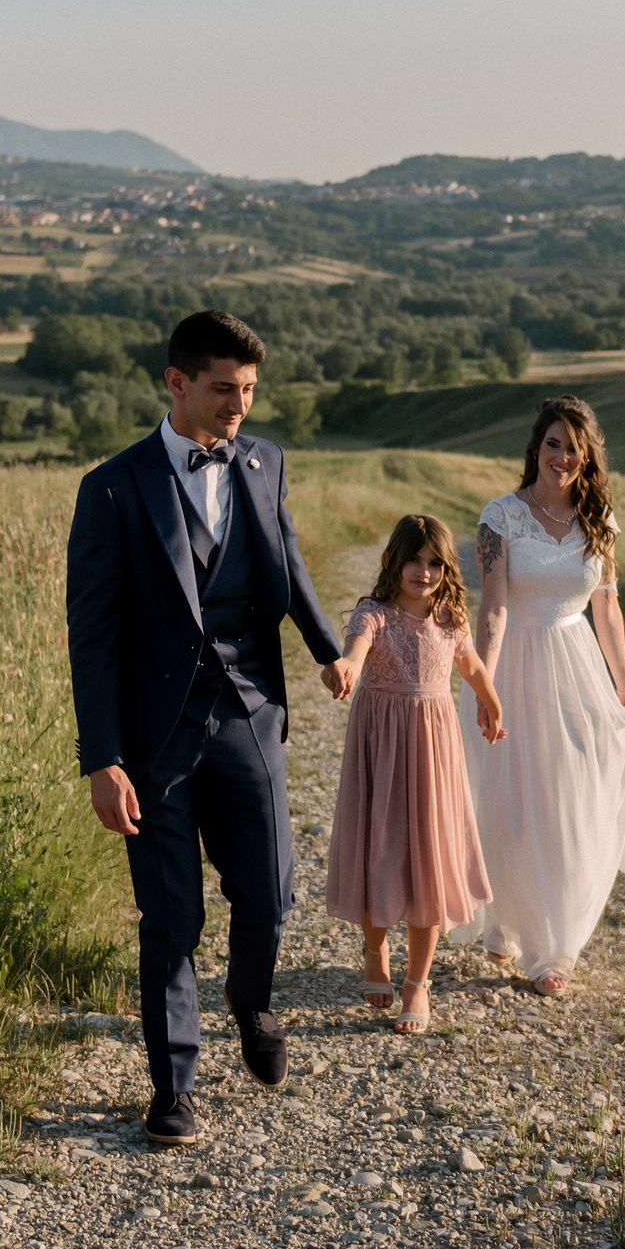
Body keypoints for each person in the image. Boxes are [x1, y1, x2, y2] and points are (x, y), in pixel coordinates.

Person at [65, 309, 354, 1148]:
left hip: (250, 712)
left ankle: (251, 998)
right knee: (170, 916)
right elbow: (92, 636)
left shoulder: (265, 463)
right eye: (225, 388)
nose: (239, 405)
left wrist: (328, 649)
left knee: (269, 888)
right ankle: (173, 1087)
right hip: (156, 736)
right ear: (177, 382)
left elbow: (288, 560)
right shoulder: (112, 488)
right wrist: (102, 759)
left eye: (251, 390)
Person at [460, 395, 625, 997]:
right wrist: (484, 684)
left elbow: (608, 606)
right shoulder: (501, 516)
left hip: (576, 664)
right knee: (508, 796)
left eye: (574, 447)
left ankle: (551, 951)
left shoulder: (600, 518)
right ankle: (502, 917)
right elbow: (491, 607)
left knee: (569, 796)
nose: (562, 456)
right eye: (552, 443)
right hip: (514, 661)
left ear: (588, 457)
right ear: (535, 449)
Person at [323, 514, 505, 1035]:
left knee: (430, 856)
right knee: (380, 848)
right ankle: (375, 947)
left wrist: (492, 703)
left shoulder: (450, 620)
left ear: (446, 570)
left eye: (433, 563)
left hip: (432, 751)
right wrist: (349, 669)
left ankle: (418, 983)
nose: (421, 571)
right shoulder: (373, 616)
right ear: (390, 562)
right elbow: (354, 653)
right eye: (412, 560)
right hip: (381, 747)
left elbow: (470, 669)